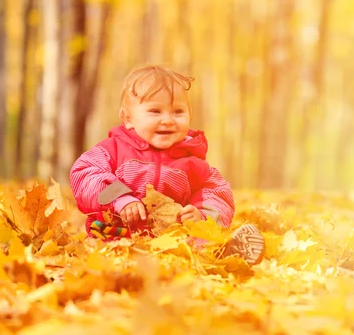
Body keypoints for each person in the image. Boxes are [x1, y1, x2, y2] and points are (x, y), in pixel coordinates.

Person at [69, 65, 265, 265]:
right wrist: (120, 198)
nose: (168, 120)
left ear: (190, 115)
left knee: (197, 245)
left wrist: (202, 215)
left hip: (170, 246)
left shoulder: (193, 163)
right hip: (114, 240)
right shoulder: (113, 151)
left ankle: (227, 254)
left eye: (178, 112)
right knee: (107, 254)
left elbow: (218, 194)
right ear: (128, 118)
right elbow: (85, 174)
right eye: (155, 111)